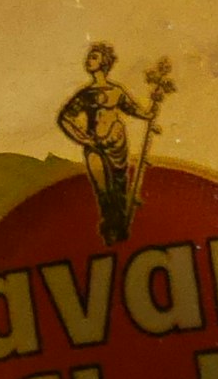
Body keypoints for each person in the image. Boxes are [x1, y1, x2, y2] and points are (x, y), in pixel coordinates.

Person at [54, 40, 176, 244]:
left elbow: (133, 109)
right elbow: (65, 118)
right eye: (90, 56)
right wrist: (83, 137)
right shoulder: (86, 94)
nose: (89, 60)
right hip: (94, 145)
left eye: (94, 56)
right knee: (101, 188)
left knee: (119, 186)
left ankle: (119, 228)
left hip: (116, 143)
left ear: (104, 62)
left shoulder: (116, 91)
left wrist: (149, 112)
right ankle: (108, 226)